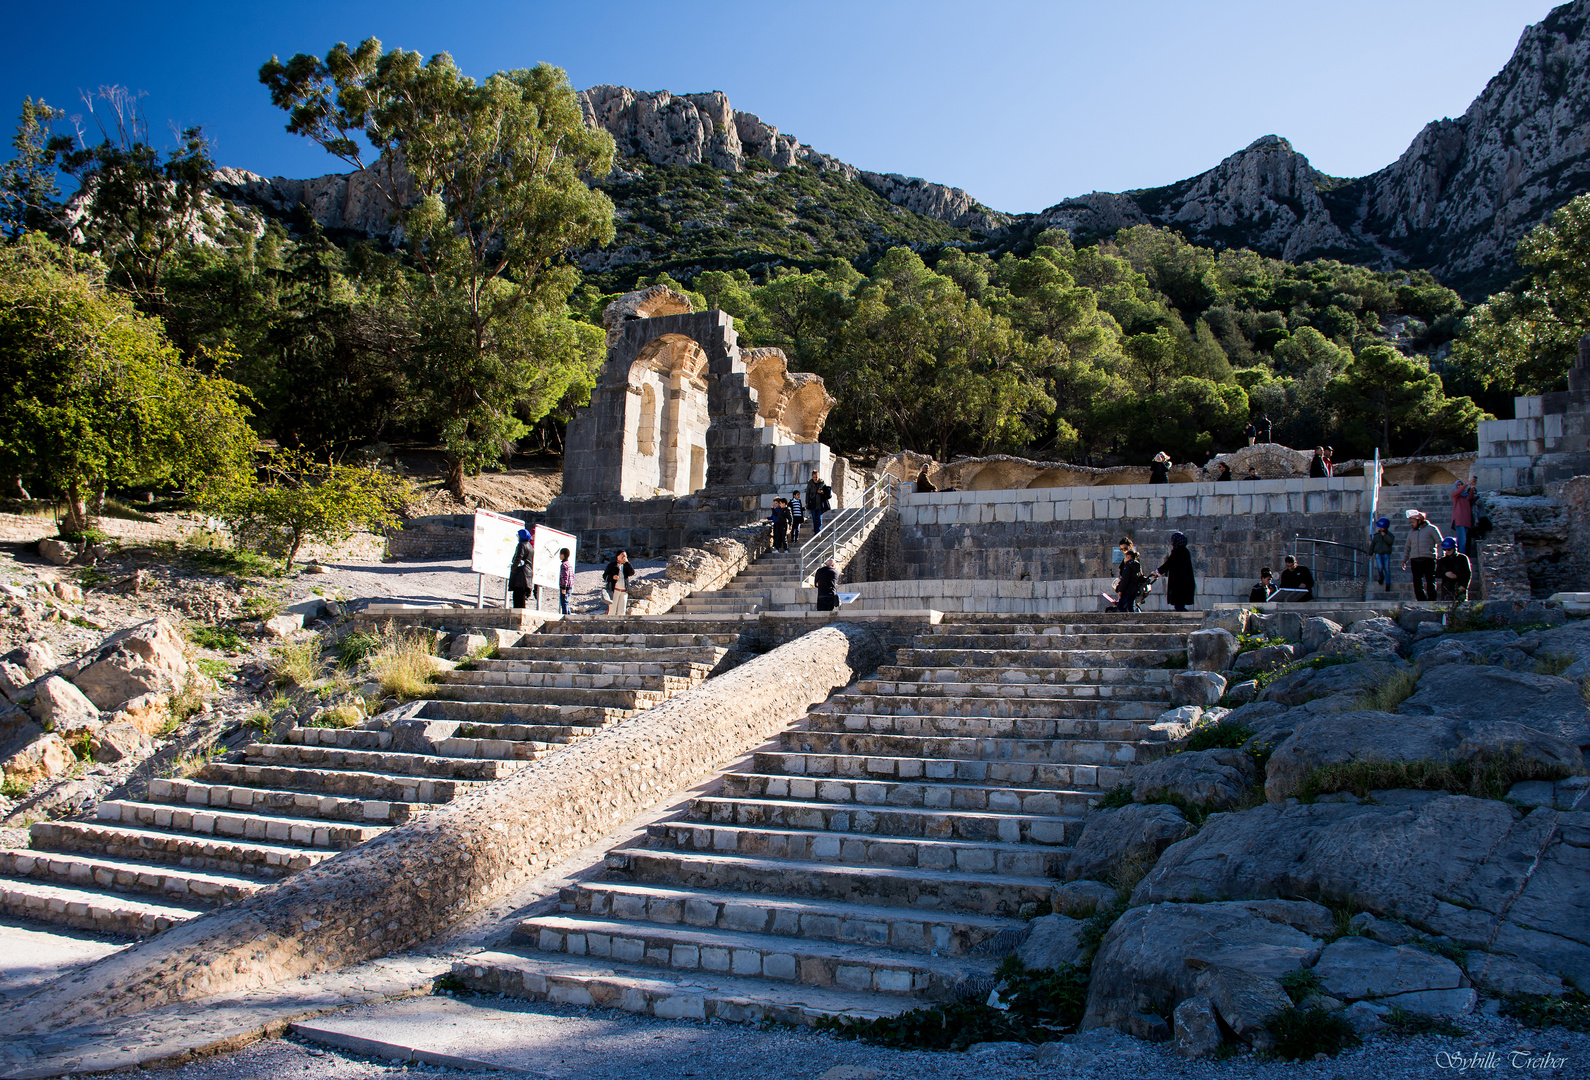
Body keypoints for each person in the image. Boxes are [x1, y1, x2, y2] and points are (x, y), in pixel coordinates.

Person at [1402, 510, 1444, 602]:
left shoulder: (1431, 529)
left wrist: (1440, 555)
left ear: (1419, 520)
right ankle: (1421, 601)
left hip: (1428, 559)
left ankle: (1432, 600)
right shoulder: (1411, 533)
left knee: (1430, 581)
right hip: (1415, 560)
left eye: (1412, 522)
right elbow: (1407, 547)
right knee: (1417, 583)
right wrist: (1404, 560)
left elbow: (1440, 542)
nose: (1411, 524)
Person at [1157, 532, 1196, 612]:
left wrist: (1157, 572)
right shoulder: (1185, 551)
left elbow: (1169, 563)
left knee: (1179, 607)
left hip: (1179, 585)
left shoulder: (1177, 552)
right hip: (1185, 584)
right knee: (1180, 606)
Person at [1112, 539, 1149, 612]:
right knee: (1131, 606)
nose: (1123, 551)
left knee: (1122, 606)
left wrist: (1120, 590)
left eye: (1125, 549)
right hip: (1133, 590)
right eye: (1121, 549)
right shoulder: (1135, 563)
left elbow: (1126, 578)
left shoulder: (1129, 564)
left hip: (1127, 588)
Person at [1436, 537, 1472, 602]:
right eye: (1445, 549)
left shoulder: (1462, 558)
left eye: (1449, 549)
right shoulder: (1442, 561)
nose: (1447, 551)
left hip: (1459, 587)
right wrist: (1445, 574)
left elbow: (1467, 573)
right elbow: (1436, 573)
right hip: (1447, 588)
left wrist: (1464, 586)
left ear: (1454, 548)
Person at [603, 550, 635, 617]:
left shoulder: (626, 565)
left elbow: (632, 572)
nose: (624, 557)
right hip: (615, 590)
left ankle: (621, 624)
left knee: (622, 609)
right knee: (612, 608)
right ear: (618, 556)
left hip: (624, 590)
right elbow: (605, 576)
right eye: (622, 555)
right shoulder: (612, 565)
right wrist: (612, 577)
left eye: (625, 555)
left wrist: (627, 563)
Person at [508, 528, 534, 610]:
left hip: (520, 574)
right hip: (527, 574)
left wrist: (513, 567)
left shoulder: (521, 545)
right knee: (522, 597)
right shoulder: (530, 546)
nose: (517, 537)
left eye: (518, 535)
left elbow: (519, 557)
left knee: (517, 597)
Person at [1451, 478, 1477, 554]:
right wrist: (1466, 484)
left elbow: (1471, 497)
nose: (1460, 486)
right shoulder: (1454, 495)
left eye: (1461, 484)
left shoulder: (1466, 496)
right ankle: (1461, 555)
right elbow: (1458, 492)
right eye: (1458, 485)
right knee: (1462, 539)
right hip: (1459, 519)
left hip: (1466, 520)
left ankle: (1460, 554)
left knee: (1463, 539)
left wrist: (1472, 487)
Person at [1369, 518, 1395, 591]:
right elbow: (1372, 545)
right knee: (1380, 567)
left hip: (1386, 554)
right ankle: (1381, 577)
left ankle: (1388, 584)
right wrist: (1370, 553)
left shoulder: (1390, 535)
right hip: (1378, 554)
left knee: (1387, 569)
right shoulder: (1376, 536)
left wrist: (1385, 535)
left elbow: (1390, 542)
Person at [806, 470, 831, 534]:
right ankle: (815, 532)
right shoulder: (810, 483)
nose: (815, 479)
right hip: (813, 503)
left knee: (819, 518)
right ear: (812, 476)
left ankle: (819, 532)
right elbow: (807, 493)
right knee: (814, 519)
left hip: (820, 503)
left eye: (816, 477)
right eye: (814, 477)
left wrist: (822, 492)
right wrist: (807, 502)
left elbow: (826, 491)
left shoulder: (822, 482)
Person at [557, 547, 574, 615]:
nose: (559, 556)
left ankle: (565, 615)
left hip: (564, 587)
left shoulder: (563, 565)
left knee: (564, 602)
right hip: (570, 586)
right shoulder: (569, 564)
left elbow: (565, 577)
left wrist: (563, 587)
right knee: (567, 601)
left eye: (560, 554)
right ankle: (568, 614)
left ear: (563, 555)